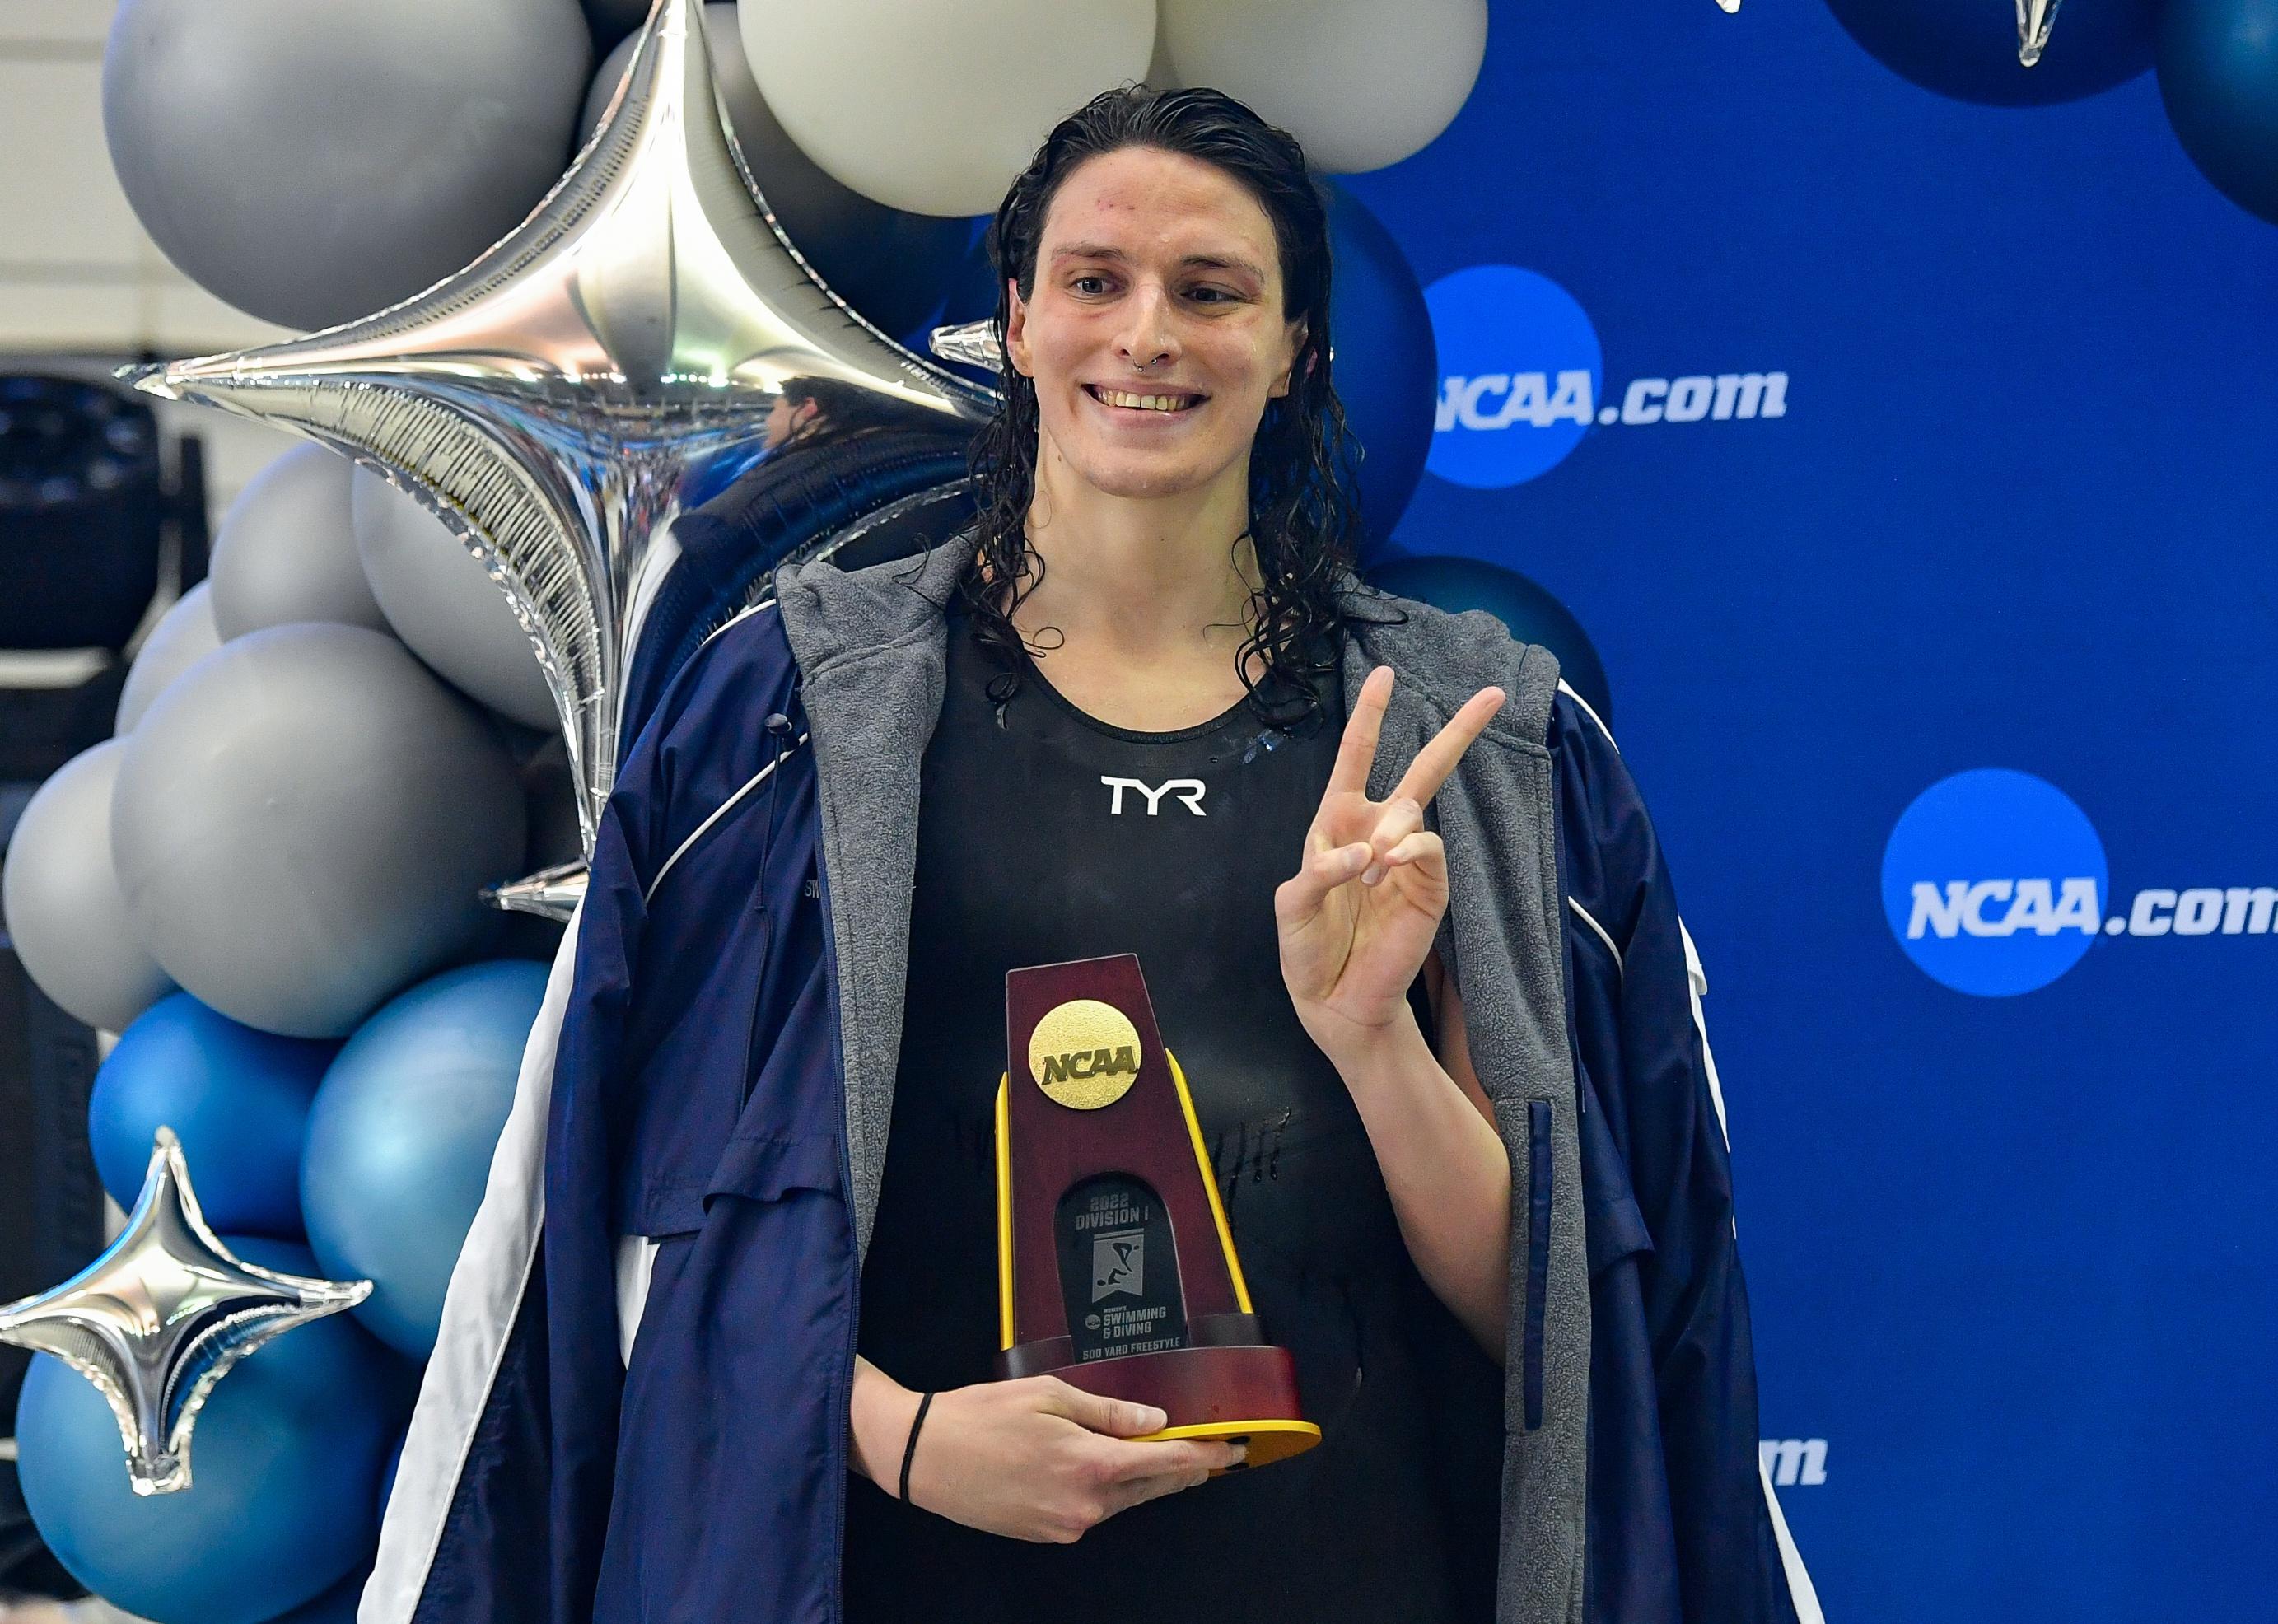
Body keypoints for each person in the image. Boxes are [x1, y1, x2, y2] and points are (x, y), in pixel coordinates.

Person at [365, 86, 1819, 1624]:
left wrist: (1372, 1038)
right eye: (1094, 281)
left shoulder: (1474, 743)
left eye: (1211, 292)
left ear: (1295, 348)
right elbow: (639, 1231)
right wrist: (907, 1443)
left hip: (1351, 1572)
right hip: (912, 1567)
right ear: (1016, 320)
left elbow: (1553, 1313)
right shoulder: (785, 716)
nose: (1146, 335)